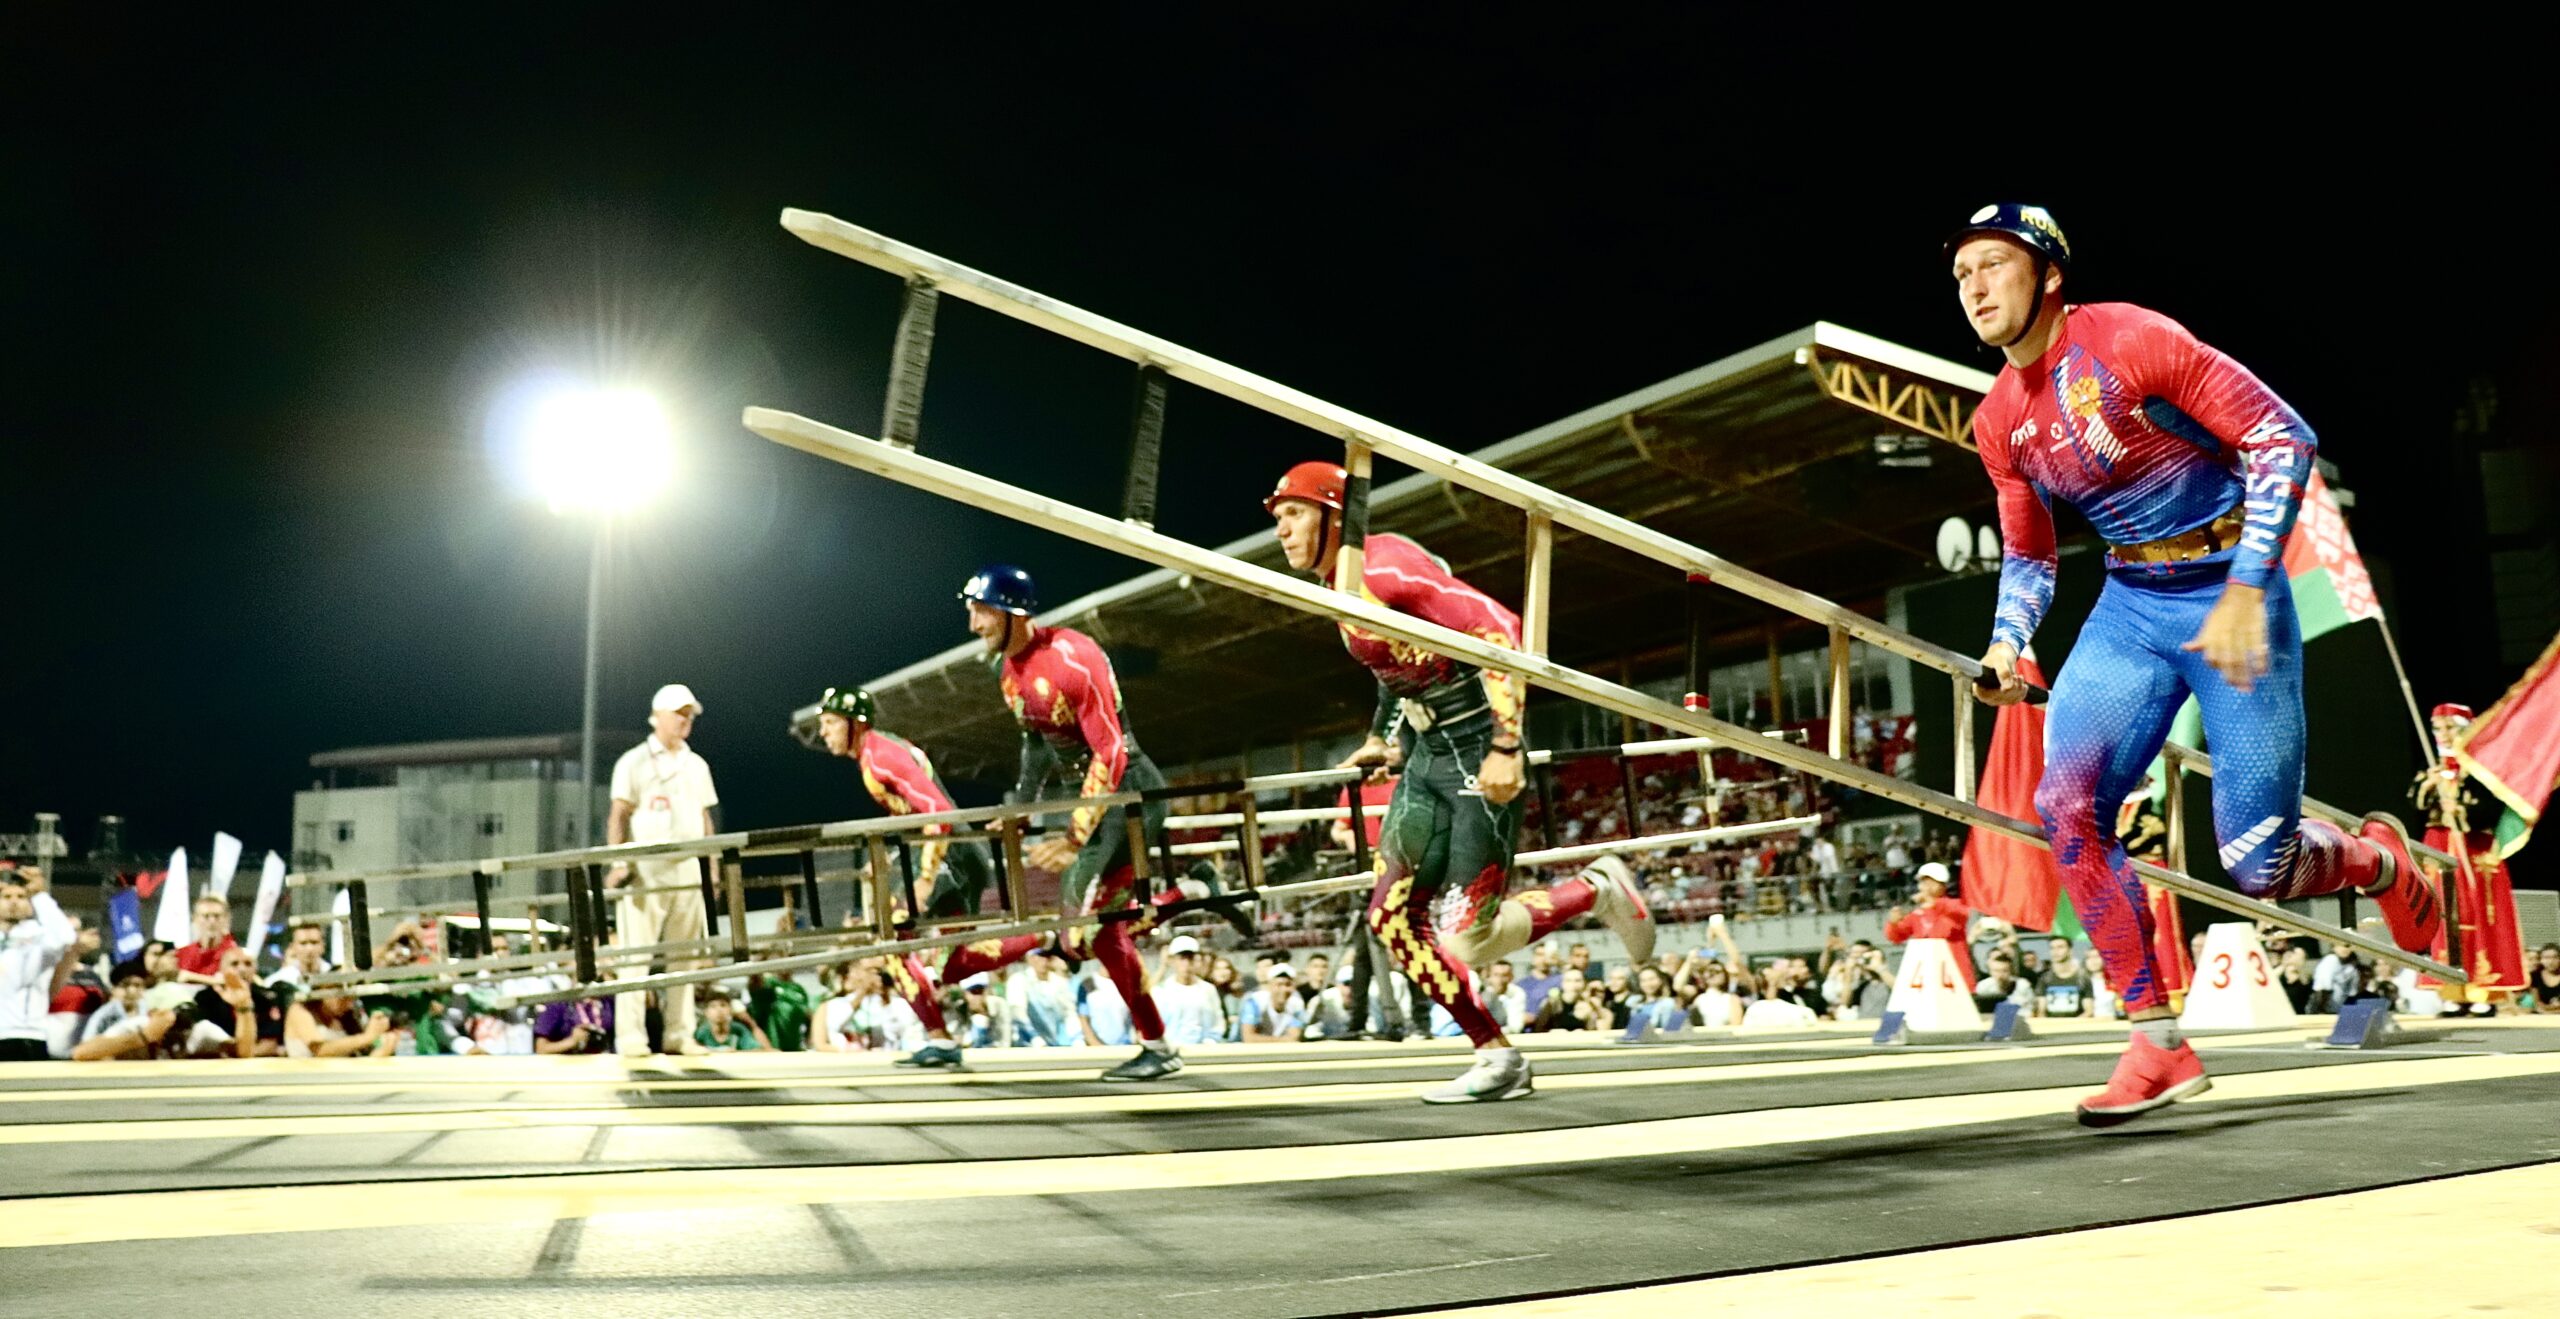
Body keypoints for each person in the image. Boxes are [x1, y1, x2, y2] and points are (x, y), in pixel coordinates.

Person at [1952, 204, 2441, 1125]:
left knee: (2259, 862)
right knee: (2064, 807)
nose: (1973, 286)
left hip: (2235, 594)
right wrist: (2008, 641)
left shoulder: (2130, 338)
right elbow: (2029, 555)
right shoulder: (1997, 421)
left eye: (1992, 265)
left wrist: (2250, 587)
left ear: (2049, 274)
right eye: (1961, 274)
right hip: (2131, 608)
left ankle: (2376, 863)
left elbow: (2282, 436)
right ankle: (2159, 1046)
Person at [1267, 461, 1654, 1102]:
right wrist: (1379, 735)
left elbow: (1501, 630)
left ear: (1337, 515)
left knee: (1467, 941)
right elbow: (1391, 663)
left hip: (1479, 750)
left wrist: (1506, 743)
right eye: (1278, 518)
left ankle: (1595, 889)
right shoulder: (1340, 586)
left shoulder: (1385, 566)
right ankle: (1496, 1055)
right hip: (1424, 759)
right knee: (1392, 920)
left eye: (1293, 514)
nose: (1281, 531)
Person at [965, 564, 1184, 1081]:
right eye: (970, 612)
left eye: (981, 612)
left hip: (1133, 793)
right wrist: (1019, 811)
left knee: (1079, 931)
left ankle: (1181, 897)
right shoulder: (1008, 674)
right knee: (1102, 937)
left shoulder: (1073, 659)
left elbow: (1110, 753)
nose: (973, 624)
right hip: (1092, 797)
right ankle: (1158, 1046)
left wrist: (1072, 836)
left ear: (1013, 611)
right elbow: (1036, 745)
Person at [815, 684, 1041, 1068]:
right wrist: (890, 853)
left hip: (946, 857)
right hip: (956, 855)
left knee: (891, 944)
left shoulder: (882, 756)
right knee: (953, 964)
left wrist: (923, 878)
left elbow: (936, 813)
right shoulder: (877, 752)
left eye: (831, 722)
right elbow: (912, 811)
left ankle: (940, 1038)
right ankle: (1045, 936)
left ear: (855, 723)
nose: (823, 732)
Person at [606, 683, 719, 1056]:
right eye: (679, 713)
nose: (685, 721)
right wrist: (619, 861)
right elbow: (618, 815)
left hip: (688, 865)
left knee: (684, 958)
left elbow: (705, 819)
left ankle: (679, 1035)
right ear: (658, 716)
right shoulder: (633, 761)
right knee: (635, 957)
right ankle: (631, 1037)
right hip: (646, 866)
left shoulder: (697, 764)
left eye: (689, 715)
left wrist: (712, 869)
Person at [1, 869, 75, 1061]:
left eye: (21, 896)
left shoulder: (38, 937)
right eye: (6, 896)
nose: (14, 901)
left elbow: (66, 937)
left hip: (27, 1035)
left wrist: (40, 895)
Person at [1884, 862, 1975, 986]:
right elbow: (1896, 937)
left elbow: (1960, 914)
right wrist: (1893, 923)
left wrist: (1931, 901)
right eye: (1923, 883)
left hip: (1956, 976)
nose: (1926, 887)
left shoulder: (1955, 905)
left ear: (1943, 886)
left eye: (1931, 882)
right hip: (1928, 976)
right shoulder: (1917, 914)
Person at [286, 990, 394, 1058]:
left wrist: (384, 1048)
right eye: (344, 998)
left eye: (352, 999)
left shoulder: (345, 1016)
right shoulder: (300, 1010)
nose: (349, 1005)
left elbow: (359, 1060)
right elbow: (320, 1050)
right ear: (326, 988)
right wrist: (367, 1037)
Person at [1240, 964, 1306, 1042]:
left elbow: (1294, 1036)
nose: (1284, 990)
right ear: (1270, 986)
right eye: (1279, 985)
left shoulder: (1297, 1004)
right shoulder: (1255, 1002)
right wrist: (1282, 1040)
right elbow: (1248, 1038)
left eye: (1288, 985)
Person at [2036, 937, 2093, 1019]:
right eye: (2052, 948)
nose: (2056, 951)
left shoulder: (2082, 978)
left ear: (2070, 950)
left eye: (2060, 947)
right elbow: (2041, 1012)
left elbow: (2089, 1011)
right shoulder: (2045, 979)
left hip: (2076, 1027)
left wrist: (2071, 1026)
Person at [693, 988, 762, 1051]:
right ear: (706, 1012)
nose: (719, 1010)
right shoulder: (702, 1033)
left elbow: (755, 1049)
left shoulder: (738, 1030)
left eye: (723, 1005)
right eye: (713, 1006)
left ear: (730, 1009)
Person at [2526, 944, 2560, 1013]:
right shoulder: (2535, 975)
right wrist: (2551, 1008)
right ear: (2541, 960)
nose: (2551, 961)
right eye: (2546, 958)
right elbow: (2537, 1003)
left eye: (2555, 957)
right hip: (2542, 1016)